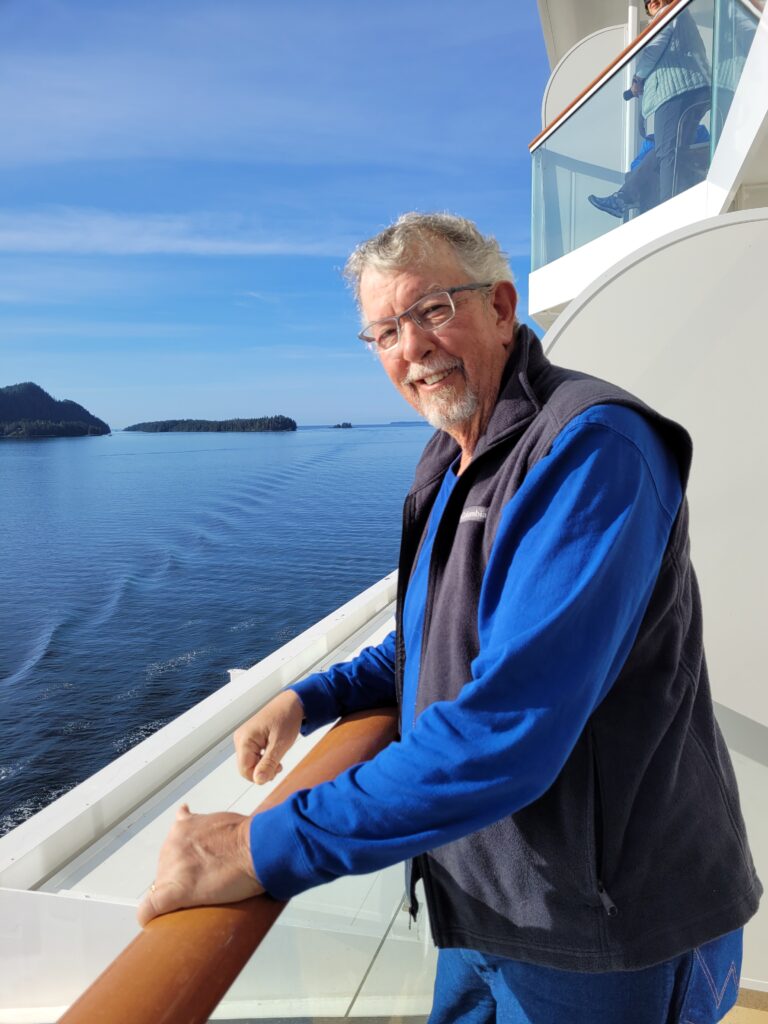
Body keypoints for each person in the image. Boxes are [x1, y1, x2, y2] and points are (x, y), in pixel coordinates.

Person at [139, 213, 761, 1023]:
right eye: (386, 331)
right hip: (478, 907)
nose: (413, 347)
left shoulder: (590, 448)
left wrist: (255, 847)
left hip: (609, 933)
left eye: (433, 310)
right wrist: (313, 698)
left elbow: (508, 729)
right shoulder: (451, 455)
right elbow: (438, 638)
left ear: (502, 308)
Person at [630, 0, 710, 202]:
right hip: (690, 87)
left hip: (675, 91)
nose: (652, 1)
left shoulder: (668, 12)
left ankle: (669, 206)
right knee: (673, 153)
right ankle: (675, 200)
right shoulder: (680, 15)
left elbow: (653, 50)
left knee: (667, 153)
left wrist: (637, 79)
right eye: (647, 2)